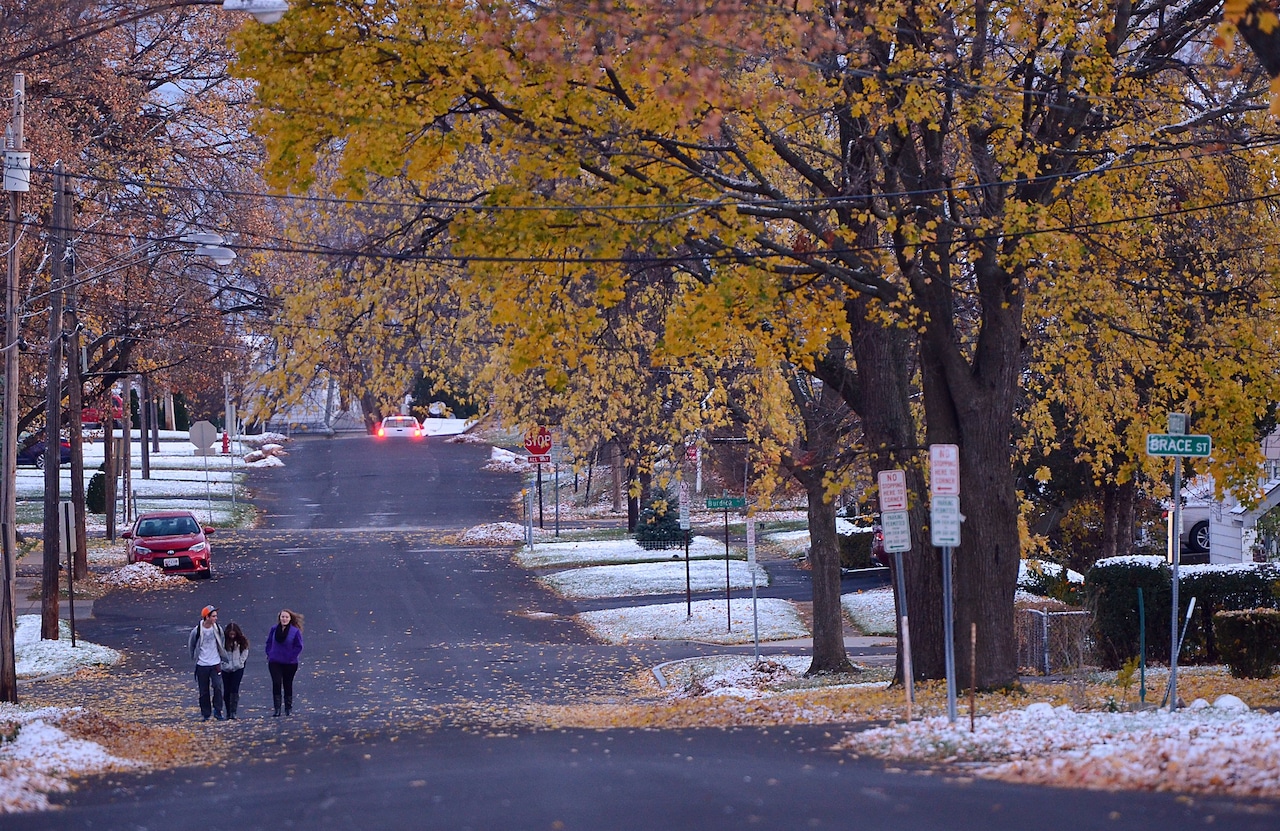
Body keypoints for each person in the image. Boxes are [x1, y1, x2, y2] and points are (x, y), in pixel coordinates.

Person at [187, 606, 227, 721]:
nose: (216, 618)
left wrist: (221, 655)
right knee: (203, 690)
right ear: (207, 617)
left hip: (215, 663)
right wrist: (195, 658)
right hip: (202, 664)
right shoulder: (197, 630)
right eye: (213, 616)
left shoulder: (218, 629)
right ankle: (206, 714)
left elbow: (222, 640)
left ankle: (218, 710)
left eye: (215, 616)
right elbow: (192, 644)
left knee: (218, 687)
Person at [265, 609, 304, 716]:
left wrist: (291, 657)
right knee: (276, 683)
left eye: (286, 617)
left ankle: (288, 708)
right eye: (283, 617)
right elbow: (269, 642)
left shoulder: (295, 631)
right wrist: (269, 653)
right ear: (279, 618)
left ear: (290, 618)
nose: (284, 619)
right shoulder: (274, 629)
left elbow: (299, 646)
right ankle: (277, 708)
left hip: (290, 663)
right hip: (275, 661)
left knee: (287, 684)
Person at [220, 622, 250, 720]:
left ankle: (233, 711)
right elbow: (219, 653)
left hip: (238, 668)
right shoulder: (223, 642)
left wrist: (240, 662)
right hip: (226, 669)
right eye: (230, 634)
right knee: (227, 690)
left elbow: (245, 651)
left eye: (234, 634)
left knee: (234, 688)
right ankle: (228, 711)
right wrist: (224, 664)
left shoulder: (241, 641)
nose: (232, 636)